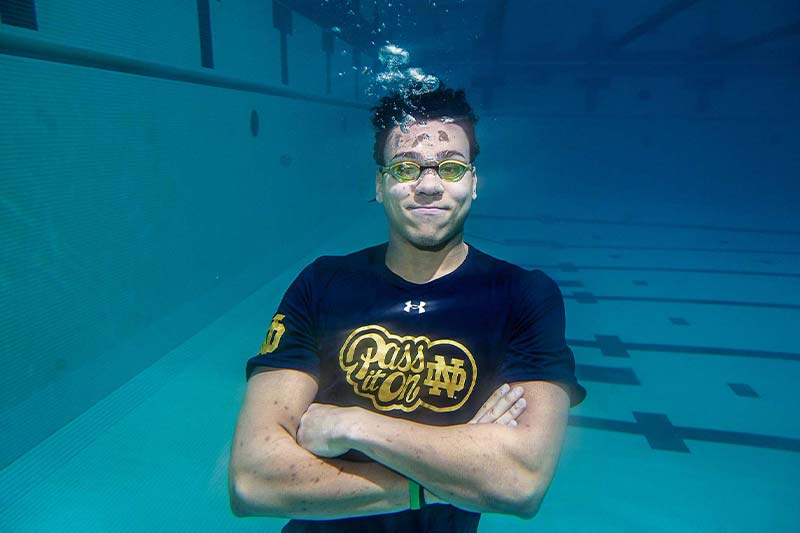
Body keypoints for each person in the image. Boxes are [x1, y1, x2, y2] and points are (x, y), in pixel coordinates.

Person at [228, 84, 587, 532]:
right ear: (380, 185)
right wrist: (435, 483)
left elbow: (520, 483)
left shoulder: (522, 295)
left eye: (451, 168)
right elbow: (253, 479)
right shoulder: (323, 283)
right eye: (406, 168)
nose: (430, 186)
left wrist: (354, 427)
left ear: (473, 183)